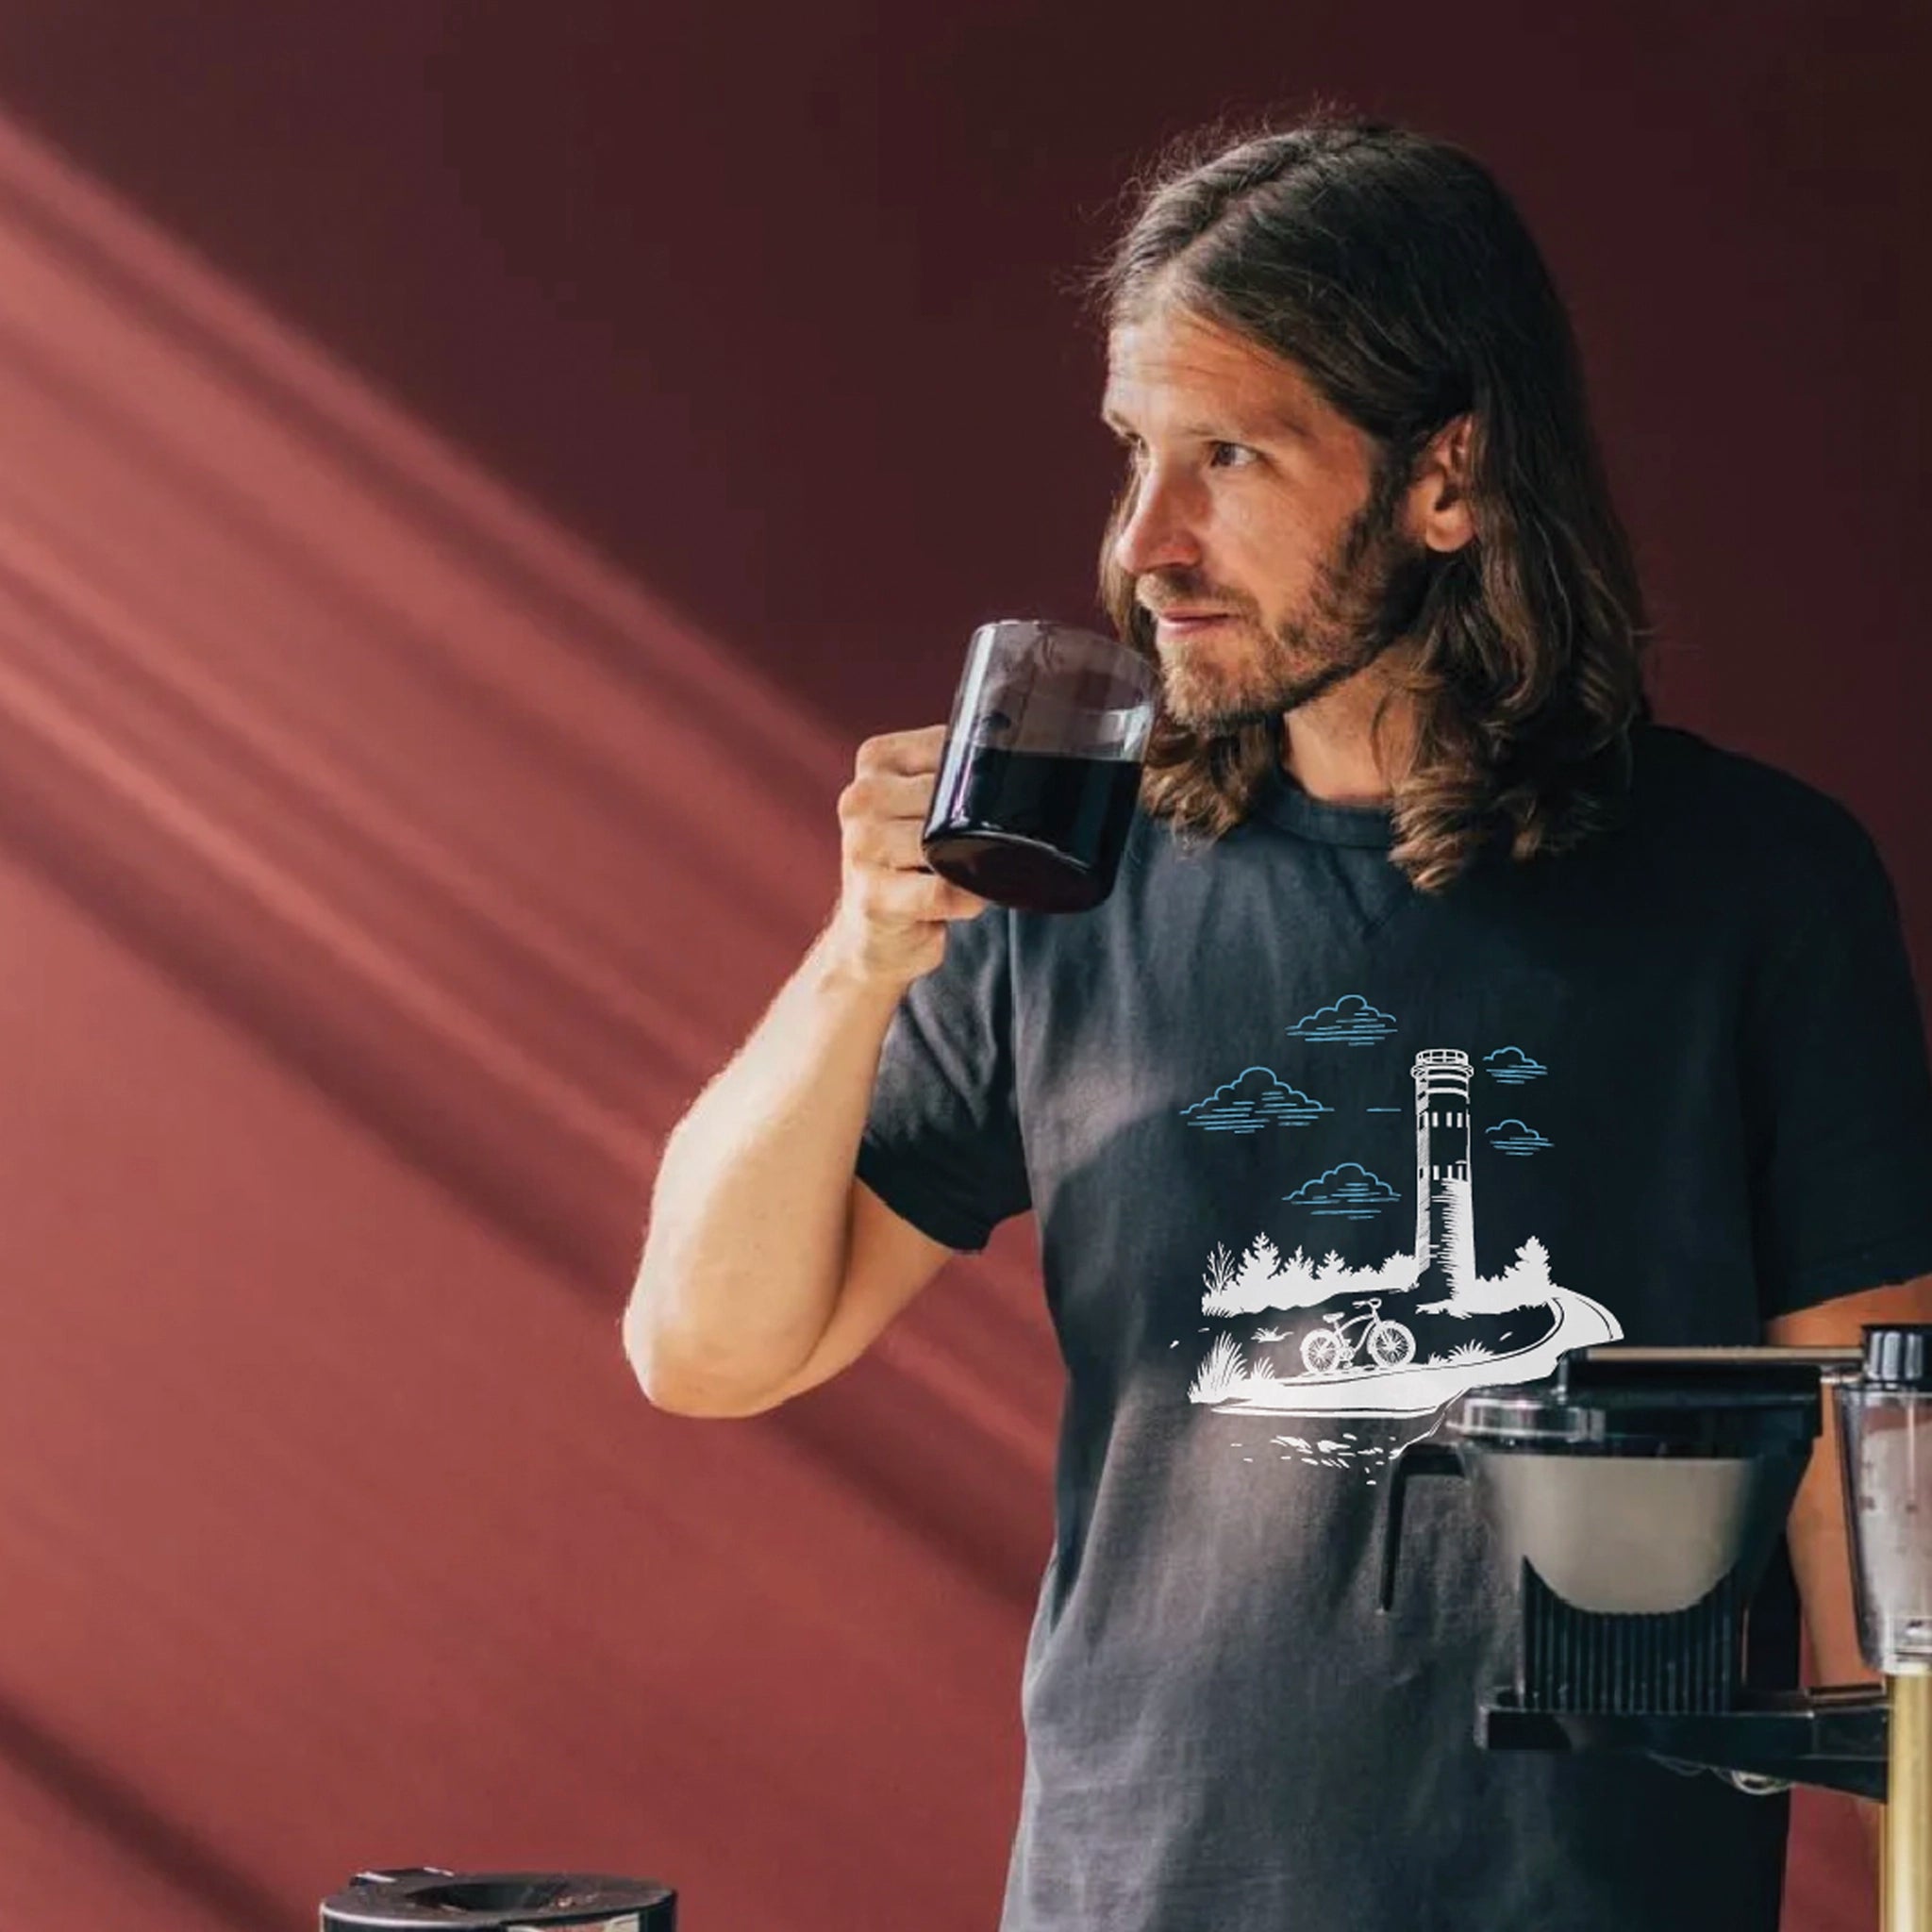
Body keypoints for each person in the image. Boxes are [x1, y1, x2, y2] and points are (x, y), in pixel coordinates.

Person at [625, 116, 1932, 1931]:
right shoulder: (1073, 880)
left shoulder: (1758, 888)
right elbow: (708, 1350)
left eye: (1229, 455)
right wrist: (860, 956)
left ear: (1445, 478)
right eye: (1135, 455)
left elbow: (1877, 1473)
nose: (1145, 543)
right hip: (1133, 1893)